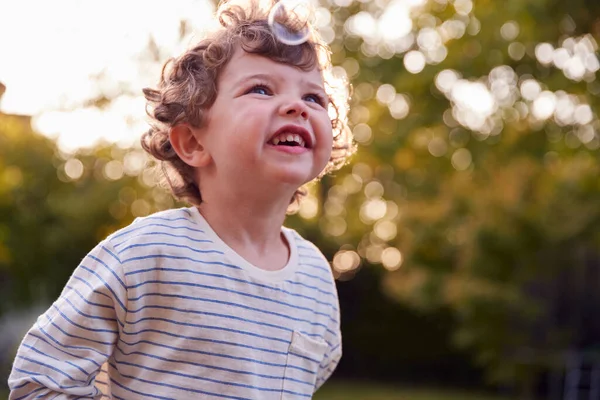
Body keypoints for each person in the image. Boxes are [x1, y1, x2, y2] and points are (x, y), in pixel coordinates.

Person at [8, 0, 355, 398]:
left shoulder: (315, 277)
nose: (298, 106)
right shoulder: (143, 254)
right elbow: (41, 380)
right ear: (192, 142)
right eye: (260, 88)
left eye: (314, 99)